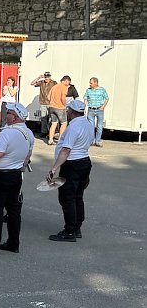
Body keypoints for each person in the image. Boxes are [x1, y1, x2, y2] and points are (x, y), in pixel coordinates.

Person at [0, 103, 34, 255]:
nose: (6, 114)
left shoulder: (8, 133)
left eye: (8, 112)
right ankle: (13, 243)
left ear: (15, 116)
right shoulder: (29, 133)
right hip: (16, 175)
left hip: (0, 175)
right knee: (14, 211)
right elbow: (28, 155)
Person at [47, 100, 94, 242]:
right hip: (84, 161)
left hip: (72, 164)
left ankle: (69, 231)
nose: (67, 112)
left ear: (71, 112)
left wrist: (54, 168)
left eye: (68, 110)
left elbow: (66, 150)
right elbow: (90, 142)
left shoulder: (73, 127)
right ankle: (77, 227)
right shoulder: (87, 124)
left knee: (67, 198)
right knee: (78, 196)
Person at [83, 77, 109, 146]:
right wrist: (84, 108)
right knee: (91, 126)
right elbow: (85, 98)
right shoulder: (88, 90)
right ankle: (92, 140)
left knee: (99, 126)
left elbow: (107, 98)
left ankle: (98, 140)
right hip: (91, 109)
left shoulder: (102, 90)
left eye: (91, 83)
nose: (90, 84)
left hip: (99, 110)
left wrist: (103, 107)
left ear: (96, 83)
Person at [46, 75, 71, 145]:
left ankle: (50, 140)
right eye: (69, 82)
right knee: (64, 123)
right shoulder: (64, 87)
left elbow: (48, 97)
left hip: (51, 107)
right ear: (66, 80)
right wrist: (64, 105)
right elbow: (63, 97)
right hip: (60, 107)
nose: (69, 84)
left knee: (54, 123)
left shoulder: (54, 86)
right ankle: (60, 140)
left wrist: (53, 102)